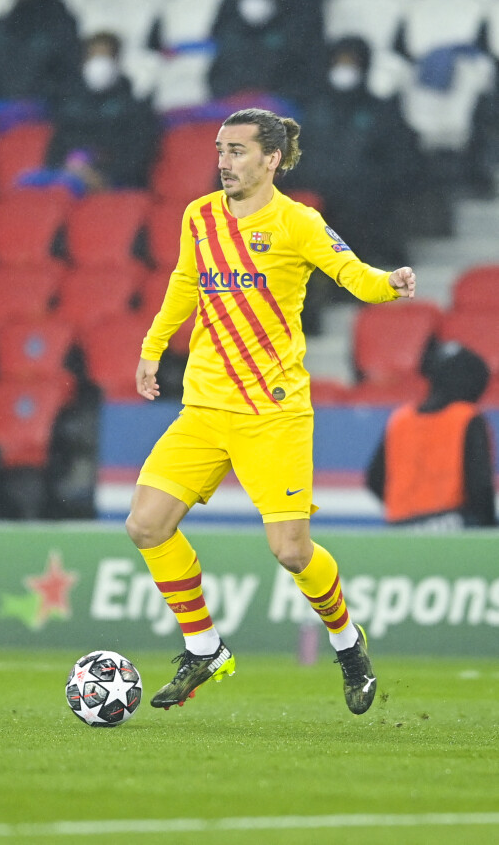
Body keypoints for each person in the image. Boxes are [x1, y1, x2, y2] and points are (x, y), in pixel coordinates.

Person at [125, 107, 416, 716]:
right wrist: (153, 348)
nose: (223, 161)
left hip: (272, 411)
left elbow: (351, 273)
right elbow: (184, 283)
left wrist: (389, 282)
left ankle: (347, 641)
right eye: (219, 149)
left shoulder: (297, 222)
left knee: (290, 550)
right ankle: (204, 648)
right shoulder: (199, 216)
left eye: (236, 150)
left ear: (272, 159)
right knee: (146, 524)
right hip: (205, 405)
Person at [284, 37, 421, 270]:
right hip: (318, 190)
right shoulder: (313, 111)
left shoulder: (382, 111)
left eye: (351, 64)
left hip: (365, 198)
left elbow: (400, 163)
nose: (344, 71)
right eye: (339, 64)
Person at [366, 341, 497, 529]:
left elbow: (374, 479)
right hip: (453, 523)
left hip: (399, 528)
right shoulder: (467, 417)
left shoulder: (400, 418)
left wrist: (407, 514)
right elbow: (480, 487)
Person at [47, 32, 159, 191]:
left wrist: (102, 176)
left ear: (117, 61)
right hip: (66, 179)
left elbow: (136, 161)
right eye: (93, 57)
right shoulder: (71, 109)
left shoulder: (134, 109)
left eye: (104, 57)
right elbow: (54, 153)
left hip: (111, 183)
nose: (98, 64)